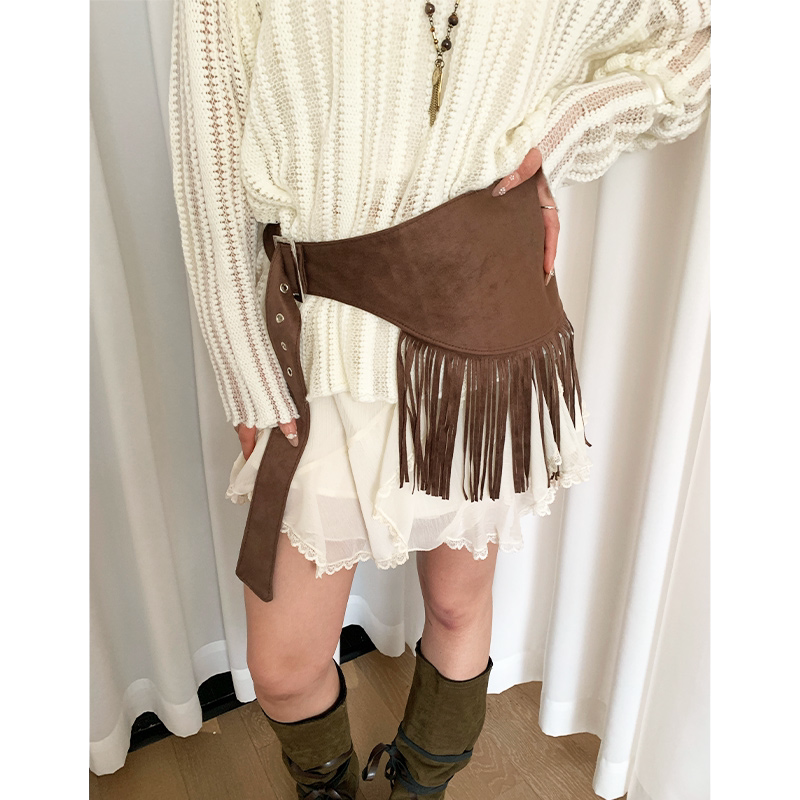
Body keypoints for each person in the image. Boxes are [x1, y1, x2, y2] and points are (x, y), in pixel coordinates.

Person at [168, 1, 710, 797]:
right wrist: (241, 361)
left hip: (482, 324)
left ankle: (421, 786)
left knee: (458, 607)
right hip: (323, 346)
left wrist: (562, 132)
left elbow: (692, 42)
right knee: (283, 668)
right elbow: (209, 163)